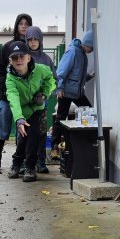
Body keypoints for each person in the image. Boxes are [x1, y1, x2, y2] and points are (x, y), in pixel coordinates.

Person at [4, 40, 55, 183]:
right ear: (10, 61)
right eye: (15, 57)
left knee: (33, 136)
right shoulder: (10, 78)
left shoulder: (40, 69)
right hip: (22, 111)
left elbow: (51, 79)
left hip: (37, 108)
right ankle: (16, 164)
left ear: (28, 57)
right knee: (22, 140)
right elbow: (13, 98)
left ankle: (30, 168)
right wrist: (19, 119)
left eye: (22, 56)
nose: (18, 60)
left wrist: (44, 94)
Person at [0, 13, 33, 171]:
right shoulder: (7, 47)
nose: (23, 26)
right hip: (7, 97)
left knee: (23, 130)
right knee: (2, 126)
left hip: (26, 99)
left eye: (27, 24)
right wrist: (5, 87)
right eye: (21, 23)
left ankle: (20, 161)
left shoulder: (31, 48)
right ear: (16, 25)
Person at [52, 29, 94, 159]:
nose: (92, 50)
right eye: (92, 47)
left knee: (89, 112)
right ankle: (54, 148)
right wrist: (59, 89)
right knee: (60, 118)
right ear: (87, 43)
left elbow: (78, 75)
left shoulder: (82, 54)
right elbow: (61, 72)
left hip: (77, 92)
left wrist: (89, 76)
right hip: (65, 92)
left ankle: (87, 142)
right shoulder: (73, 52)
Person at [24, 26, 56, 174]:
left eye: (35, 39)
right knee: (24, 132)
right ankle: (24, 163)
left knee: (41, 132)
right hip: (25, 103)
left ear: (40, 40)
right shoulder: (23, 57)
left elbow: (53, 80)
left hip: (42, 102)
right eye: (30, 39)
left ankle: (41, 162)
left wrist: (44, 95)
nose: (33, 42)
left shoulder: (46, 59)